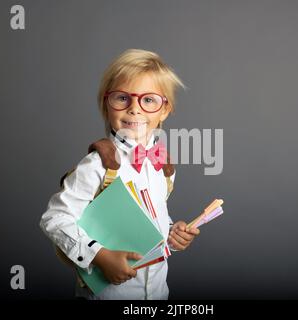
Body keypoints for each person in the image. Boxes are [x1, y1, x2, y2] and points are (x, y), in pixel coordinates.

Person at [40, 49, 200, 299]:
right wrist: (99, 256)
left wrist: (171, 233)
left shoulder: (163, 166)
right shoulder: (98, 165)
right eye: (122, 98)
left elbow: (149, 221)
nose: (135, 109)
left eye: (149, 100)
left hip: (158, 292)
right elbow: (55, 218)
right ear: (107, 103)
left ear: (164, 110)